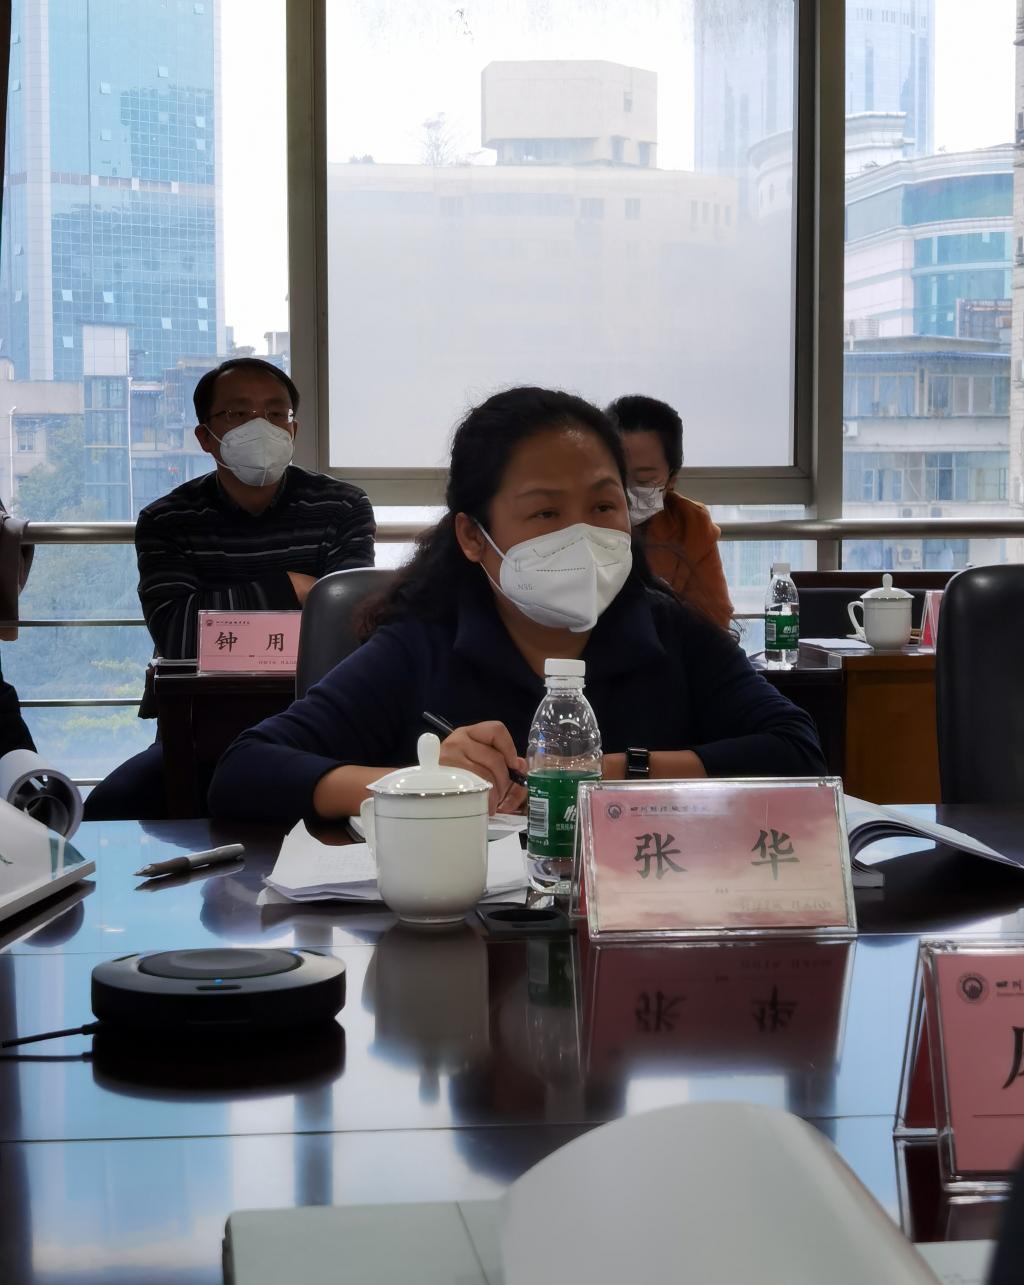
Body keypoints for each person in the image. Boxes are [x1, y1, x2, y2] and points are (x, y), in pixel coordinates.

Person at [209, 387, 824, 828]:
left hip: (634, 924)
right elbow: (244, 772)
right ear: (474, 537)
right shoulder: (423, 644)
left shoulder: (668, 630)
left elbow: (797, 752)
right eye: (546, 513)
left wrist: (616, 773)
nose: (582, 535)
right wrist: (423, 783)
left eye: (603, 506)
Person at [84, 356, 376, 820]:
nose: (261, 426)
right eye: (238, 413)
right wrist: (290, 588)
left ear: (293, 429)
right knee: (107, 808)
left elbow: (350, 623)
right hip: (201, 728)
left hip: (314, 722)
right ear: (205, 436)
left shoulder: (341, 506)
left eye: (276, 413)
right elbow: (178, 632)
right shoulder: (168, 520)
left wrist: (223, 610)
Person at [607, 394, 734, 631]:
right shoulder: (572, 519)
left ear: (672, 479)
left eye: (643, 480)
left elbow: (713, 625)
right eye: (616, 474)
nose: (625, 490)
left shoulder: (692, 525)